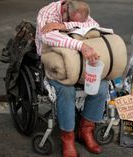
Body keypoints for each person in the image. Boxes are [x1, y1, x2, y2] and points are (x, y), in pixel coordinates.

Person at [35, 0, 108, 157]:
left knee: (102, 85)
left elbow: (95, 28)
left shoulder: (78, 11)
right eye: (71, 20)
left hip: (76, 61)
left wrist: (66, 26)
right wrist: (81, 45)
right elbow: (47, 36)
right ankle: (67, 138)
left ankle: (86, 130)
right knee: (66, 90)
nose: (76, 23)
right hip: (53, 62)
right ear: (65, 11)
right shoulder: (47, 13)